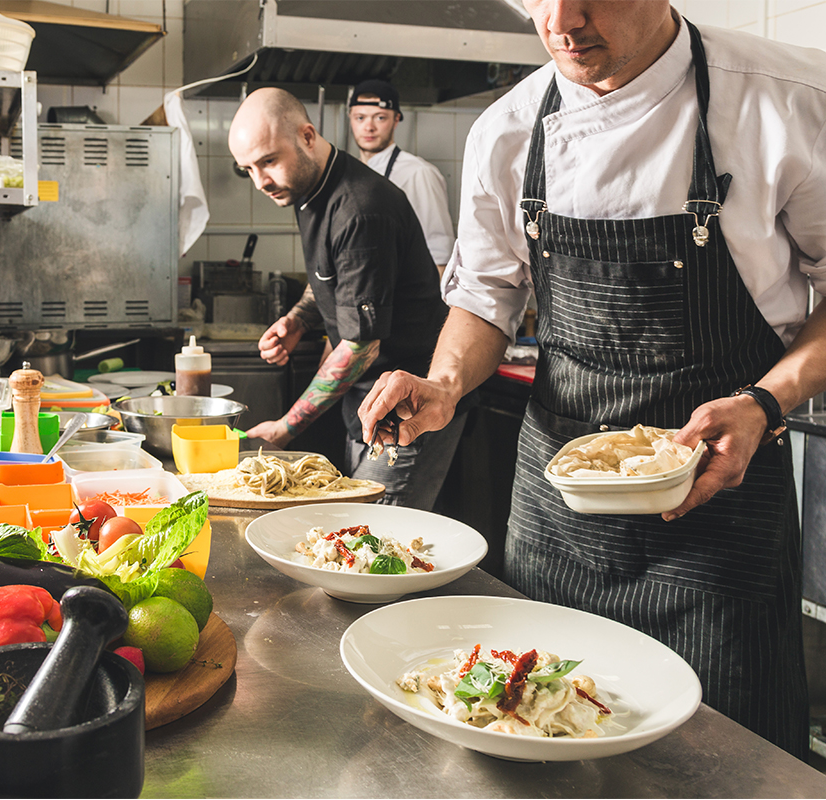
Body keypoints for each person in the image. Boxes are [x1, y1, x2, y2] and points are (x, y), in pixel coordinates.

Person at [359, 0, 826, 758]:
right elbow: (487, 295)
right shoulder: (508, 129)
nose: (562, 21)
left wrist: (767, 400)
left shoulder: (786, 100)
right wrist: (444, 382)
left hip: (717, 504)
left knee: (720, 760)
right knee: (536, 739)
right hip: (557, 515)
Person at [227, 87, 471, 510]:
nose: (261, 182)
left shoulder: (361, 209)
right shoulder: (308, 192)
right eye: (247, 168)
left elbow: (362, 344)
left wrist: (286, 427)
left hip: (407, 411)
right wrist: (299, 320)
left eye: (268, 161)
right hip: (362, 405)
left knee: (378, 543)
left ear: (307, 135)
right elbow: (328, 276)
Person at [348, 79, 455, 275]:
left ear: (396, 120)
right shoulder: (349, 174)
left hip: (405, 297)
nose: (369, 127)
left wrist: (432, 305)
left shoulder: (418, 173)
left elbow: (440, 253)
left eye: (380, 118)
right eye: (360, 118)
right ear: (351, 119)